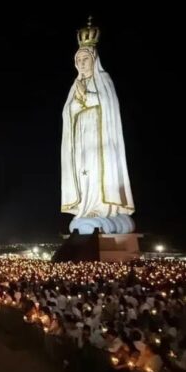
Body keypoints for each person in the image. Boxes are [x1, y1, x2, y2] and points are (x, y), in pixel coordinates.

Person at [60, 17, 134, 234]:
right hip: (82, 140)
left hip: (100, 138)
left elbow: (108, 105)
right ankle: (86, 208)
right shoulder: (75, 86)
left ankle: (102, 208)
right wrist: (77, 101)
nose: (82, 63)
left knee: (97, 172)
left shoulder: (104, 80)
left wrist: (87, 98)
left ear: (94, 60)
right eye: (79, 60)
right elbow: (68, 112)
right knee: (83, 174)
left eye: (85, 59)